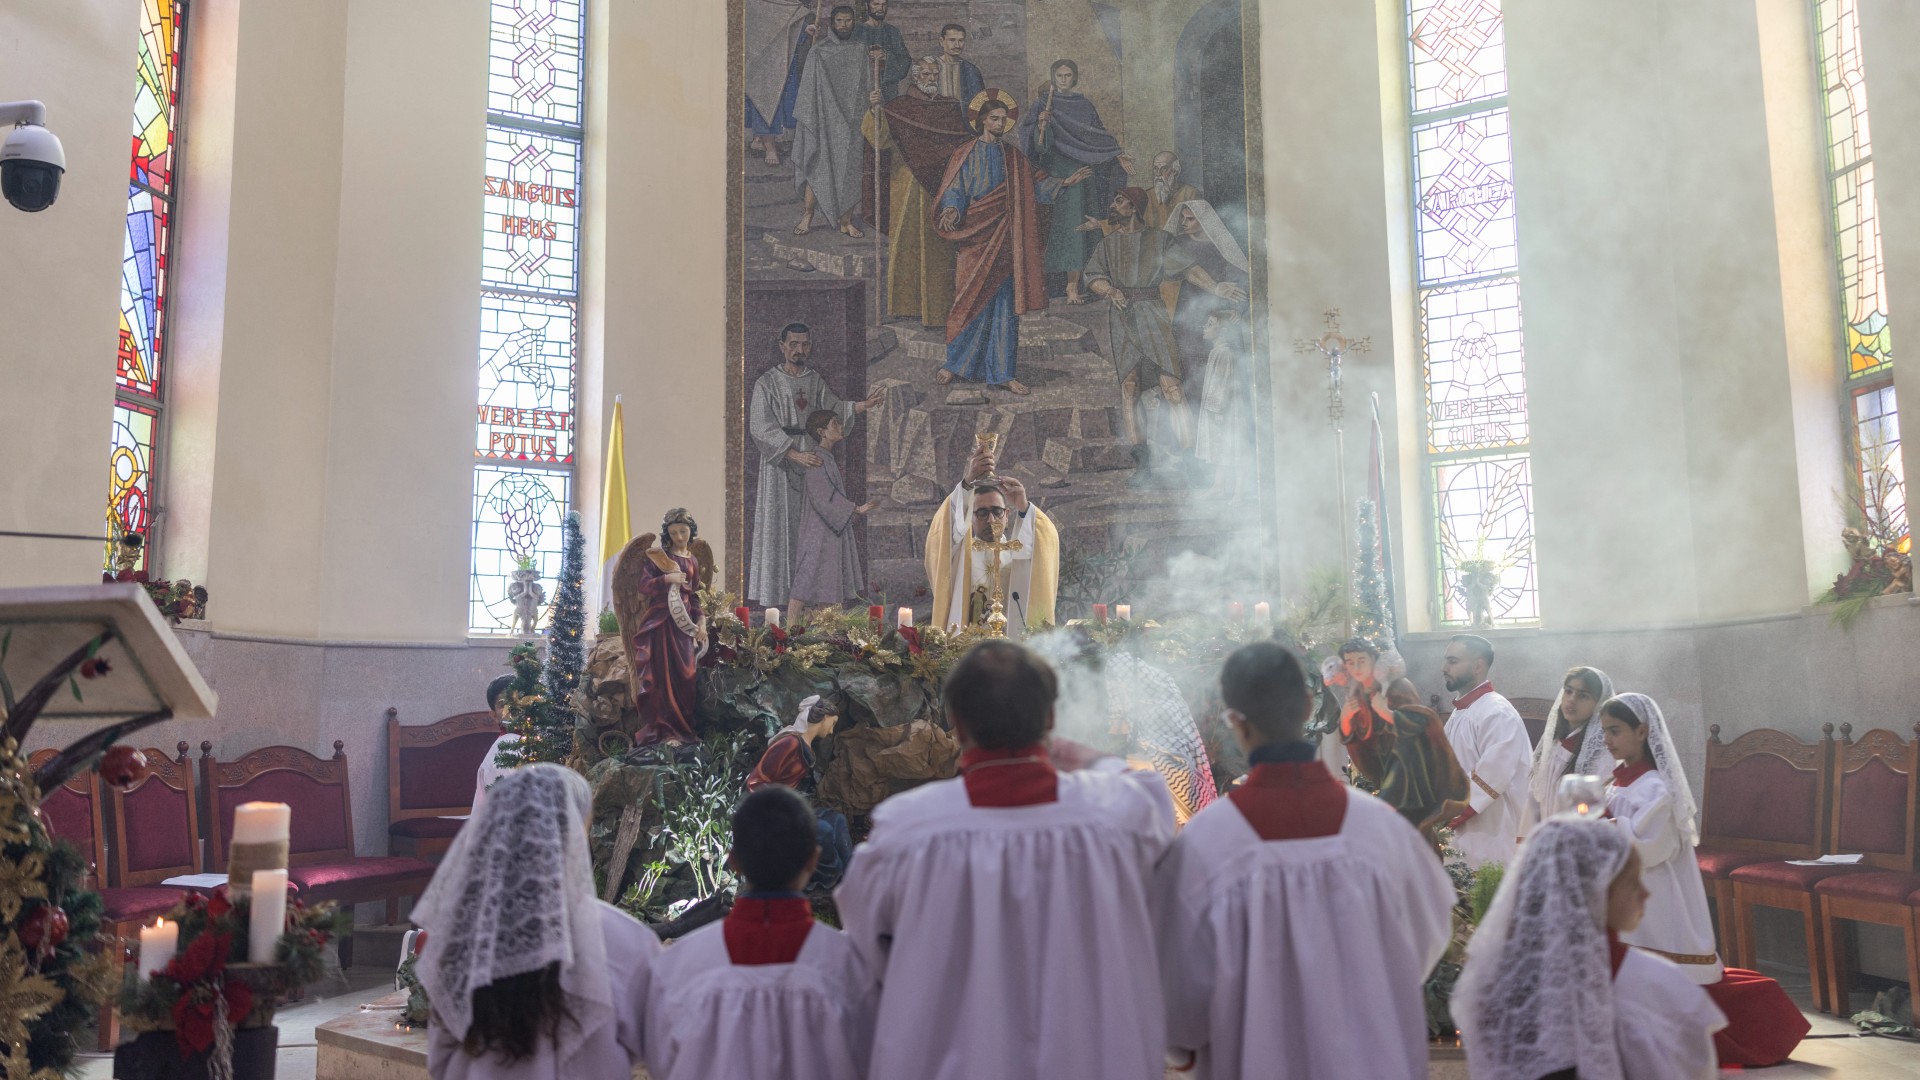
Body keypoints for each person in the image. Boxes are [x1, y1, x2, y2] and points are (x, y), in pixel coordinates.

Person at [835, 640, 1175, 1080]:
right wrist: (1083, 757)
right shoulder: (1115, 816)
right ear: (1050, 719)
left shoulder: (905, 831)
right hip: (1088, 1058)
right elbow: (1154, 800)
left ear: (956, 725)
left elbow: (864, 953)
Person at [1156, 642, 1454, 1079]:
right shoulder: (1380, 828)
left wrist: (1184, 1048)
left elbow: (1177, 986)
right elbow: (1427, 935)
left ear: (1234, 721)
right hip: (1370, 1057)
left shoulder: (1207, 840)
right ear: (1309, 705)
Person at [1600, 693, 1810, 1067]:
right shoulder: (1615, 784)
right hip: (1623, 896)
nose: (1607, 740)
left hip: (1656, 896)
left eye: (1615, 731)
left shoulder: (1656, 787)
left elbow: (1651, 848)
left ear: (1643, 731)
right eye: (1604, 732)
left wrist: (1601, 826)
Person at [416, 765, 661, 1080]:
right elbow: (656, 1050)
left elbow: (440, 1059)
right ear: (577, 832)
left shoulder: (460, 936)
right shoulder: (628, 941)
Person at [1455, 816, 1727, 1080]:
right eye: (1632, 882)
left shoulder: (1491, 981)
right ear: (1593, 890)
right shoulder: (1658, 985)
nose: (1645, 893)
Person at [644, 787, 876, 1080]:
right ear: (814, 860)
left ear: (734, 861)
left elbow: (660, 1063)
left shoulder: (677, 968)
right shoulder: (852, 968)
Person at [934, 89, 1092, 394]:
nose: (1000, 124)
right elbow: (954, 188)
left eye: (1003, 120)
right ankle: (955, 364)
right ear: (981, 120)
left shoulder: (1013, 156)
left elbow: (1036, 184)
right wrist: (952, 209)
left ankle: (1003, 372)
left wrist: (1064, 183)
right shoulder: (965, 153)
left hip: (1006, 237)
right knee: (967, 302)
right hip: (975, 234)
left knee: (1004, 306)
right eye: (994, 119)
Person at [1082, 187, 1246, 479]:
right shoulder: (1107, 245)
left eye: (1119, 201)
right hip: (1120, 317)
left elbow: (1189, 269)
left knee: (1172, 387)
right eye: (1114, 200)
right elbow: (1093, 276)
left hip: (1151, 313)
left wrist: (1215, 287)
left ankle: (1189, 458)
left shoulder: (1159, 240)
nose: (1113, 205)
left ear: (1134, 207)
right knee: (1129, 389)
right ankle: (1142, 464)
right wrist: (1109, 290)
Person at [746, 323, 879, 608]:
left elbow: (832, 408)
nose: (799, 350)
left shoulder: (814, 379)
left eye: (805, 345)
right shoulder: (767, 383)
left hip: (814, 458)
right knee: (782, 526)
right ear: (782, 345)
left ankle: (815, 599)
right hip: (780, 463)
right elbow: (760, 427)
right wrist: (793, 454)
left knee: (814, 532)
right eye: (793, 344)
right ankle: (782, 600)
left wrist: (861, 406)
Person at [861, 57, 971, 328]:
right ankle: (907, 306)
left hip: (943, 186)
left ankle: (940, 309)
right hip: (908, 183)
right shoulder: (898, 107)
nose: (932, 77)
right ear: (915, 76)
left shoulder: (949, 107)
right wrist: (875, 112)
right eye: (927, 73)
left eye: (935, 73)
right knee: (907, 242)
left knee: (940, 247)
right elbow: (879, 139)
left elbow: (962, 142)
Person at [923, 439, 1059, 637]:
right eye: (981, 512)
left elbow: (1043, 546)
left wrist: (1025, 508)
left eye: (997, 511)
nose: (991, 519)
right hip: (966, 646)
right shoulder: (959, 552)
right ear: (970, 516)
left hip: (1010, 646)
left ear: (1007, 514)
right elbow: (943, 530)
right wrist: (967, 483)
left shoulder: (1019, 550)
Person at [1017, 60, 1126, 304]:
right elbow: (1038, 148)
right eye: (1060, 76)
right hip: (1060, 174)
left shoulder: (1083, 104)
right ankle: (1069, 287)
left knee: (1085, 227)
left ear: (1074, 78)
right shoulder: (1044, 103)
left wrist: (1116, 152)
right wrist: (1041, 125)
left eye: (1068, 76)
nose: (1064, 80)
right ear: (1053, 77)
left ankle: (1089, 282)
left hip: (1084, 172)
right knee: (1068, 231)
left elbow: (1097, 134)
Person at [1435, 633, 1531, 868]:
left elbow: (1492, 776)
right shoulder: (1461, 712)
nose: (1444, 667)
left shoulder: (1497, 712)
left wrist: (1444, 815)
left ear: (1477, 665)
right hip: (1459, 831)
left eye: (1453, 661)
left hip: (1491, 832)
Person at [746, 694, 854, 891]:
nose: (831, 731)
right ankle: (828, 883)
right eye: (832, 723)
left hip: (790, 809)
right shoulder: (789, 744)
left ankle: (854, 878)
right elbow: (756, 782)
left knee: (837, 819)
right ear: (822, 718)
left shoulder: (806, 747)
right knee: (822, 830)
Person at [1344, 675, 1470, 842]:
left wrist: (1385, 712)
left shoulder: (1414, 719)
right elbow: (1368, 749)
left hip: (1410, 785)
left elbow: (1416, 722)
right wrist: (1348, 720)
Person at [630, 509, 708, 749]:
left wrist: (702, 621)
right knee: (662, 677)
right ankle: (664, 731)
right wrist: (666, 580)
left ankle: (683, 729)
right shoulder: (658, 558)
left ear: (691, 531)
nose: (679, 537)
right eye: (674, 532)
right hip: (661, 623)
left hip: (683, 625)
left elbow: (693, 596)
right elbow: (643, 586)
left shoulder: (693, 560)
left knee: (685, 675)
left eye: (683, 531)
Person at [792, 6, 870, 238]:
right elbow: (807, 85)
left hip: (851, 122)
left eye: (848, 20)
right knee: (817, 168)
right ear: (832, 23)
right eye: (839, 21)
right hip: (824, 121)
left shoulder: (860, 49)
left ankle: (846, 221)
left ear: (854, 22)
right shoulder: (819, 50)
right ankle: (807, 215)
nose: (844, 24)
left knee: (850, 174)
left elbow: (867, 85)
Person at [789, 409, 877, 613]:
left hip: (829, 530)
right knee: (808, 578)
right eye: (835, 424)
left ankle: (823, 628)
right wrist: (856, 508)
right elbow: (823, 496)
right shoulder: (817, 459)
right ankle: (790, 627)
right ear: (822, 432)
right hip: (818, 530)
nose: (840, 427)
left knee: (827, 579)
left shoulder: (826, 457)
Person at [1518, 666, 1614, 835]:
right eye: (1568, 691)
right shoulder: (1553, 743)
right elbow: (1535, 796)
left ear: (1599, 704)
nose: (1571, 700)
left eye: (1583, 696)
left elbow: (1597, 810)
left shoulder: (1603, 753)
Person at [1165, 200, 1249, 391]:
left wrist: (1235, 310)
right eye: (1183, 219)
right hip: (1188, 311)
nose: (1184, 223)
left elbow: (1239, 282)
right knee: (1190, 363)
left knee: (1220, 368)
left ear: (1204, 222)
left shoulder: (1222, 246)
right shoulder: (1179, 244)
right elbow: (1180, 270)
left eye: (1190, 219)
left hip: (1219, 312)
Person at [743, 0, 812, 166]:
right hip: (761, 58)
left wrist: (805, 28)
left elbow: (791, 16)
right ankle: (770, 146)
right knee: (764, 96)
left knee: (786, 97)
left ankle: (761, 138)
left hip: (785, 56)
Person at [1194, 308, 1254, 497]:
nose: (1205, 327)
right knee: (1221, 447)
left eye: (1210, 325)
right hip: (1218, 410)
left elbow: (1223, 384)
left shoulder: (1225, 353)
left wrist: (1215, 410)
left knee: (1234, 447)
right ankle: (1219, 485)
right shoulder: (1216, 352)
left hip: (1228, 411)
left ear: (1224, 330)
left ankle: (1240, 490)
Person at [471, 673, 520, 814]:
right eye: (503, 704)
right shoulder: (504, 751)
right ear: (494, 716)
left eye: (517, 700)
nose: (511, 708)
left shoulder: (540, 742)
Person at [935, 23, 985, 105]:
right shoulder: (930, 67)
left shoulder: (971, 70)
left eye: (960, 40)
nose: (957, 45)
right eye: (952, 40)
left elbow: (979, 103)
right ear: (941, 41)